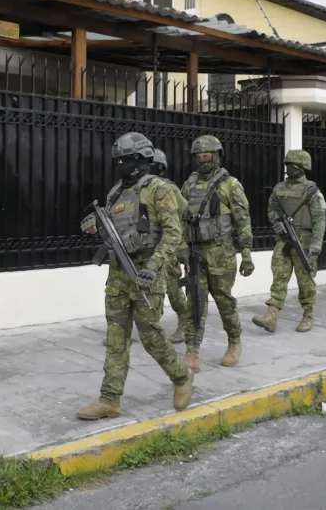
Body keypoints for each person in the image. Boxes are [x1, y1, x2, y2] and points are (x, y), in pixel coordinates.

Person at [77, 132, 194, 420]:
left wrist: (154, 265)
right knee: (116, 338)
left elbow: (173, 233)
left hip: (147, 273)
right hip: (119, 274)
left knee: (151, 336)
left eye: (126, 160)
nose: (120, 165)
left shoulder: (159, 189)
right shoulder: (115, 192)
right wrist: (93, 223)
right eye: (117, 160)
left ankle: (181, 376)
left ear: (142, 161)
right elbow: (111, 225)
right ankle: (109, 399)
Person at [180, 135, 255, 372]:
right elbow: (179, 219)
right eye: (199, 156)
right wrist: (180, 247)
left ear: (216, 156)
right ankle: (192, 352)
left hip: (221, 253)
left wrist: (247, 255)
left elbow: (243, 220)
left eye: (207, 156)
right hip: (195, 254)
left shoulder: (229, 184)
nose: (203, 160)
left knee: (224, 301)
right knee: (195, 303)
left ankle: (234, 342)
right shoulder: (188, 185)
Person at [253, 150, 326, 334]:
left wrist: (316, 246)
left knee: (305, 281)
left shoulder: (311, 191)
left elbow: (319, 220)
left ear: (302, 168)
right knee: (279, 277)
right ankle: (271, 316)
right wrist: (277, 222)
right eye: (287, 165)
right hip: (284, 241)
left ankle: (307, 315)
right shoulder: (279, 188)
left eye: (292, 166)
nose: (288, 169)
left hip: (305, 241)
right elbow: (272, 209)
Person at [149, 148, 191, 344]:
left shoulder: (168, 188)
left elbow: (184, 214)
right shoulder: (136, 188)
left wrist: (181, 245)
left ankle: (185, 323)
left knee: (172, 288)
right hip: (144, 248)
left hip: (166, 247)